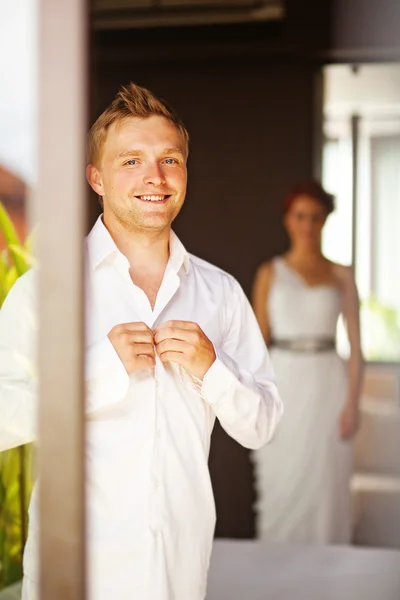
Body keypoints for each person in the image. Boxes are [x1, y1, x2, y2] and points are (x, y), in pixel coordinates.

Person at [0, 83, 283, 600]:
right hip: (75, 576)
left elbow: (262, 425)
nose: (155, 177)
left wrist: (213, 370)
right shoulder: (45, 293)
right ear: (97, 178)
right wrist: (97, 373)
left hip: (179, 572)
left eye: (169, 159)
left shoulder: (220, 293)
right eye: (131, 161)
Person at [251, 180, 363, 545]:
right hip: (284, 381)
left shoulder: (342, 275)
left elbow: (357, 349)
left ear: (325, 220)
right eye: (300, 216)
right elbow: (254, 345)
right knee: (283, 478)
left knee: (327, 480)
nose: (307, 225)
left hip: (328, 382)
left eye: (315, 217)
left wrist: (353, 403)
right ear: (288, 220)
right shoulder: (270, 272)